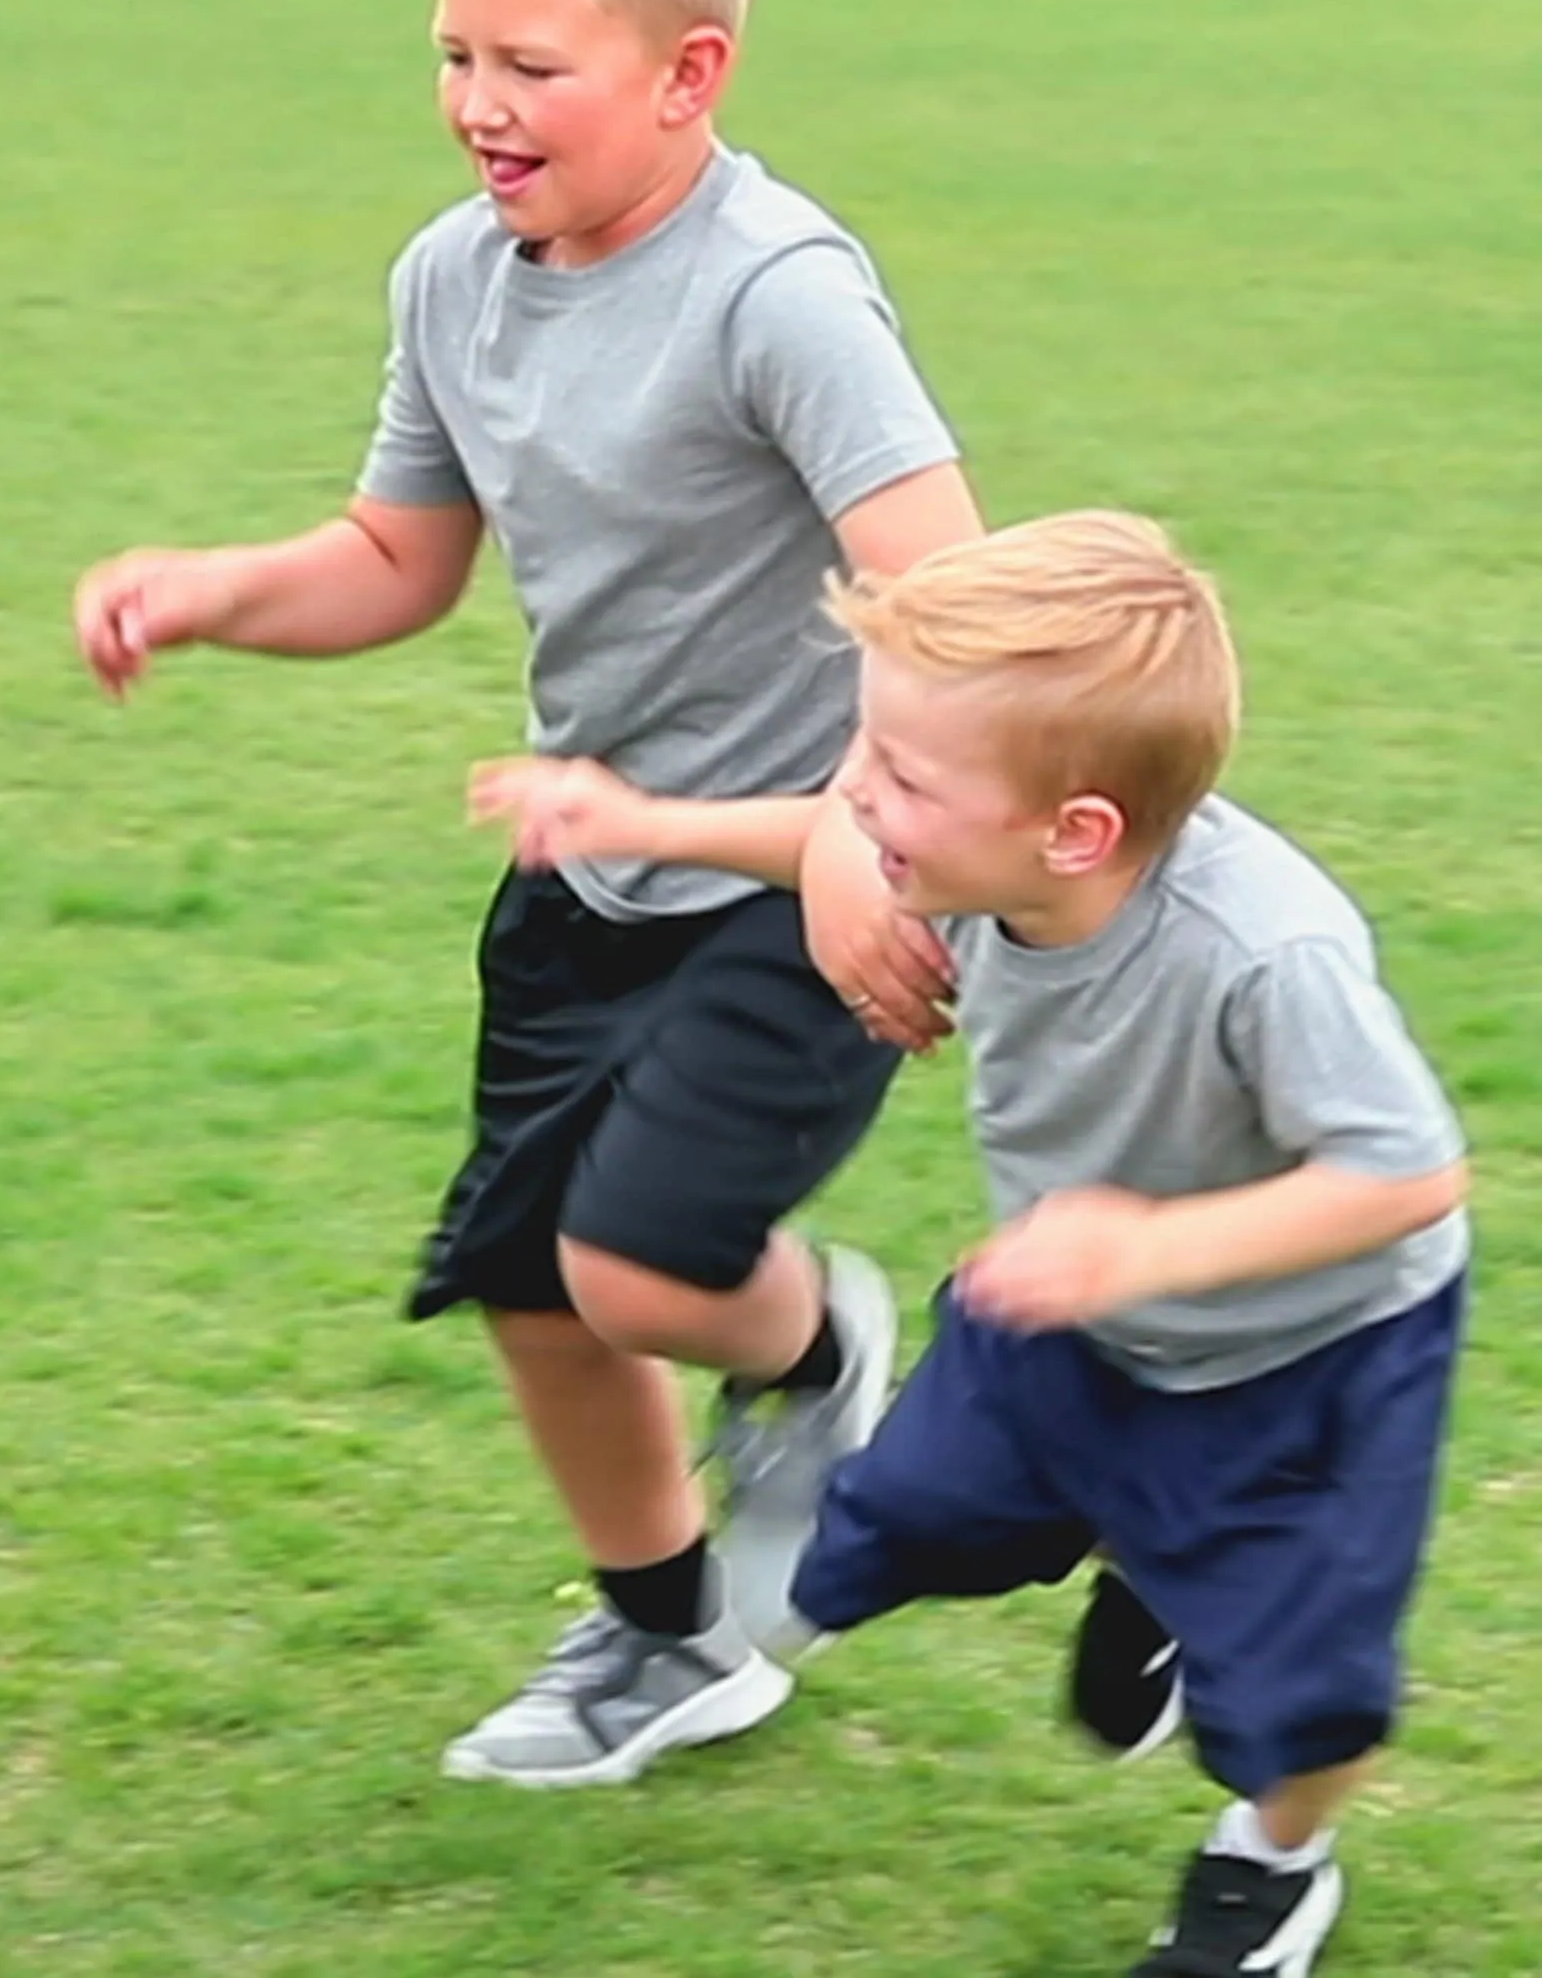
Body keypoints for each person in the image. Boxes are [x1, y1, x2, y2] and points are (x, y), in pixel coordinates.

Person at [71, 0, 980, 1786]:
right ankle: (671, 1646)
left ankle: (816, 1350)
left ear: (688, 74)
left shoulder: (777, 294)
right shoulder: (453, 280)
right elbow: (402, 558)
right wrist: (218, 592)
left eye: (529, 69)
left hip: (799, 868)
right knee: (530, 1292)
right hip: (584, 866)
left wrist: (865, 845)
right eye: (453, 57)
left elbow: (946, 594)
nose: (477, 107)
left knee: (635, 1262)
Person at [476, 514, 1467, 1978]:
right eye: (859, 752)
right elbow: (820, 832)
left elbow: (1410, 1173)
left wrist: (1144, 1245)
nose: (851, 798)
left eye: (895, 775)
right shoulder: (956, 854)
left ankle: (1271, 1863)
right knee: (895, 1522)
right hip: (1067, 1316)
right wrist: (639, 821)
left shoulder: (1264, 952)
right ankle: (1136, 1548)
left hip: (1308, 1356)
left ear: (1072, 830)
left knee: (1296, 1691)